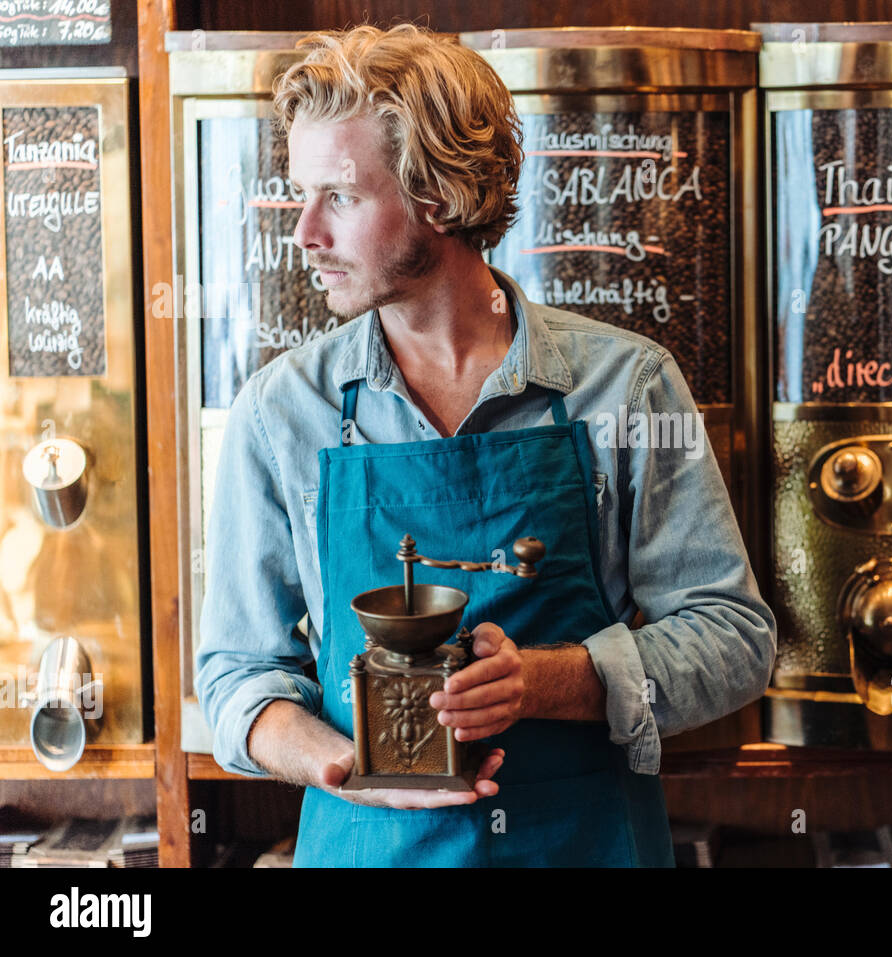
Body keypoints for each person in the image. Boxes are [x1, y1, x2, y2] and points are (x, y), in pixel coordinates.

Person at [195, 24, 776, 868]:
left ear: (439, 195)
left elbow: (735, 639)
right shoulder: (283, 412)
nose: (305, 233)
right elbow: (236, 677)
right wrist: (339, 765)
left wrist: (547, 680)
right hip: (367, 845)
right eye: (300, 194)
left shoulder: (628, 385)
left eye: (341, 198)